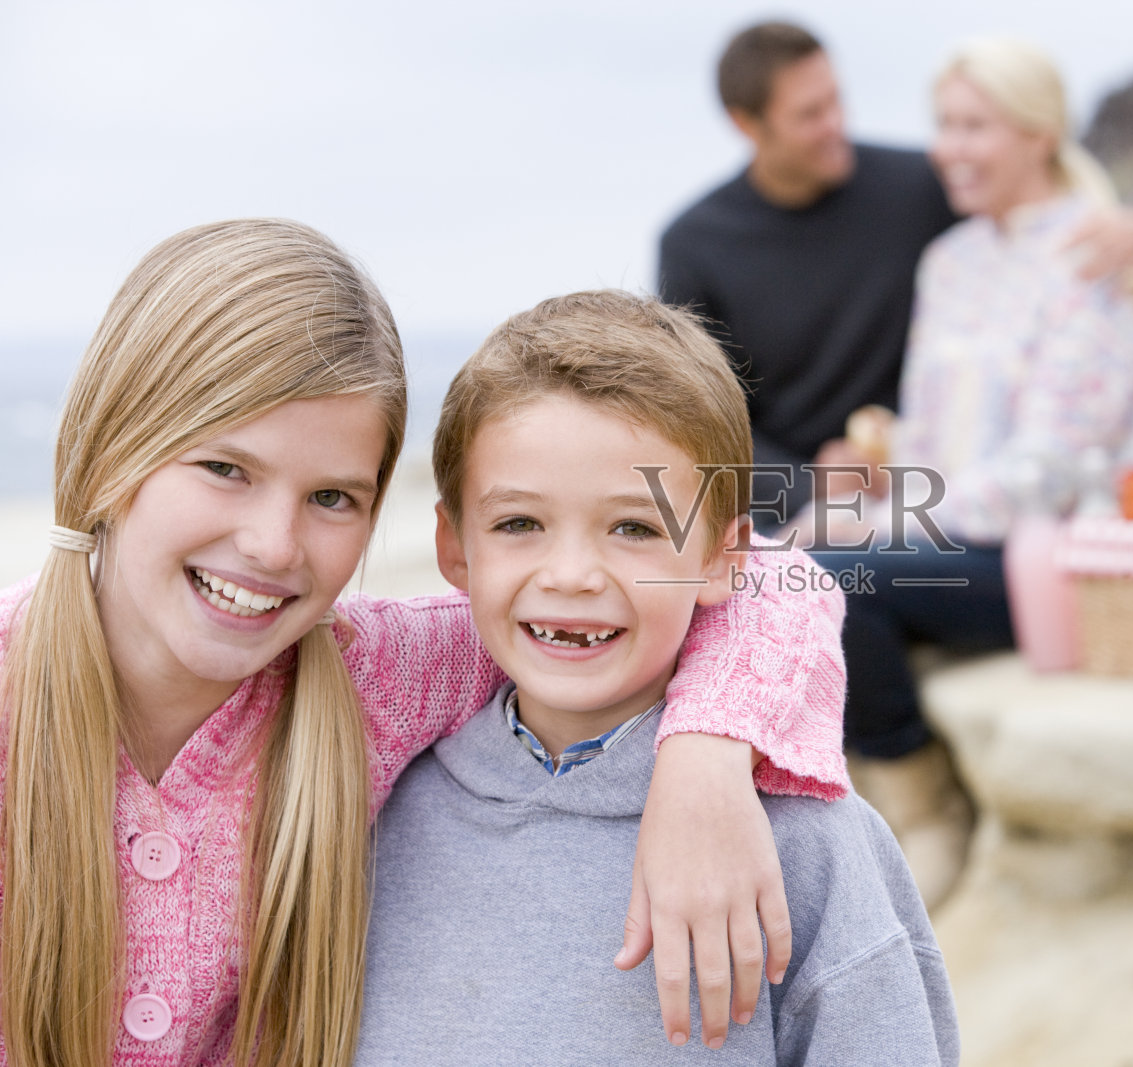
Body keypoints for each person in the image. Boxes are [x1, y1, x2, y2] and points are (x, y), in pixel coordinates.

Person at [0, 220, 849, 1066]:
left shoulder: (373, 674)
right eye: (226, 469)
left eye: (332, 496)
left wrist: (704, 759)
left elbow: (768, 577)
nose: (272, 544)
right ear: (112, 446)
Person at [356, 290, 958, 1066]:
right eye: (519, 523)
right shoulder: (377, 808)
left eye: (634, 528)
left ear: (721, 559)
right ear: (455, 546)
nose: (570, 575)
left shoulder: (807, 846)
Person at [801, 37, 1133, 908]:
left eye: (974, 126)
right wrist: (869, 489)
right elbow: (927, 433)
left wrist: (888, 527)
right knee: (770, 552)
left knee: (830, 572)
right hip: (947, 531)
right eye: (943, 125)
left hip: (1044, 552)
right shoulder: (950, 261)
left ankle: (923, 806)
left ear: (1039, 134)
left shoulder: (1090, 254)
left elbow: (1048, 470)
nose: (948, 148)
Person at [657, 20, 1133, 530]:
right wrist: (807, 485)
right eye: (810, 114)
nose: (836, 124)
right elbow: (693, 421)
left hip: (927, 512)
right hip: (792, 498)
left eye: (837, 100)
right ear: (746, 124)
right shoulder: (695, 245)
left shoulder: (922, 190)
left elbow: (1040, 215)